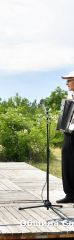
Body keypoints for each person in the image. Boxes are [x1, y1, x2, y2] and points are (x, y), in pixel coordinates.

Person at [57, 71, 74, 203]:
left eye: (69, 80)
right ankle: (70, 195)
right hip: (69, 134)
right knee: (67, 163)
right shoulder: (70, 97)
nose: (66, 83)